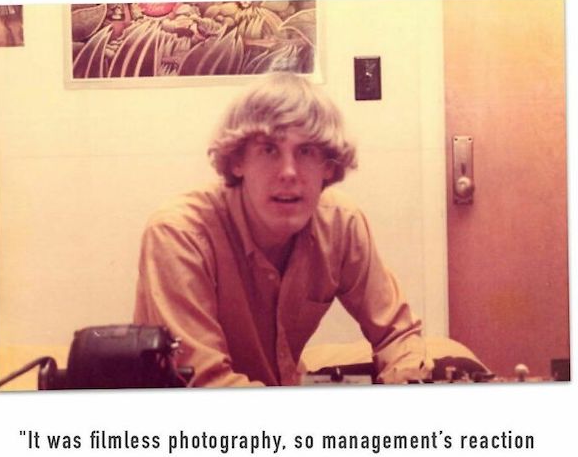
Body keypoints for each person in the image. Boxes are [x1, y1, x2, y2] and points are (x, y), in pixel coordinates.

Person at [134, 73, 427, 387]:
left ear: (328, 166)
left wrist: (405, 386)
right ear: (237, 161)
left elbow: (399, 336)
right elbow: (204, 385)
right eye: (269, 150)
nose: (289, 172)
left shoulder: (341, 223)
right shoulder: (178, 234)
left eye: (306, 151)